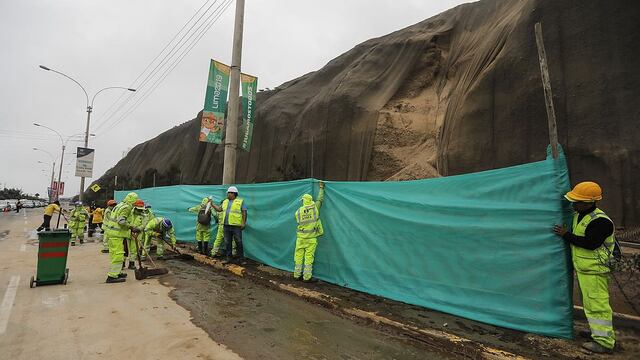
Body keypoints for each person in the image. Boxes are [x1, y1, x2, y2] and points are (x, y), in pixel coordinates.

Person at [553, 181, 617, 354]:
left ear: (589, 202)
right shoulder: (579, 215)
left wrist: (566, 235)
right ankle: (597, 332)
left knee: (597, 305)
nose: (574, 204)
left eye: (577, 201)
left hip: (595, 271)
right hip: (585, 269)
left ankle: (604, 342)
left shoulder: (601, 222)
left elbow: (589, 244)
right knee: (589, 303)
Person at [293, 181, 325, 282]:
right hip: (311, 239)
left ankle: (297, 275)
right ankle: (307, 278)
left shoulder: (298, 212)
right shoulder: (315, 208)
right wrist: (321, 188)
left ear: (303, 201)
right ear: (310, 200)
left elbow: (299, 221)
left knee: (298, 258)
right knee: (308, 259)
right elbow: (320, 199)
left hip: (300, 239)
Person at [103, 192, 138, 283]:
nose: (135, 204)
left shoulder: (120, 205)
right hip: (116, 235)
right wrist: (131, 227)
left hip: (112, 233)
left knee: (114, 254)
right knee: (118, 255)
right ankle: (112, 276)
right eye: (135, 201)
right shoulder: (127, 207)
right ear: (132, 200)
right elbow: (121, 221)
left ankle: (117, 272)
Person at [210, 186, 247, 264]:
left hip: (236, 226)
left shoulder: (240, 201)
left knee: (238, 242)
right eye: (228, 193)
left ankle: (241, 259)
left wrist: (243, 223)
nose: (228, 194)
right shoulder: (225, 201)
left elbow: (244, 212)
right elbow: (219, 209)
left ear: (234, 194)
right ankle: (229, 258)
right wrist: (212, 204)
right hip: (226, 225)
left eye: (230, 193)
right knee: (227, 242)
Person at [126, 199, 150, 269]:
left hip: (137, 234)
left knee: (134, 250)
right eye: (138, 209)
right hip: (128, 233)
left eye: (141, 209)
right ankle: (122, 264)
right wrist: (130, 227)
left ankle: (131, 263)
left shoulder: (144, 216)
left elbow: (144, 224)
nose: (139, 211)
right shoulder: (130, 212)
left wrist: (138, 229)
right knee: (126, 249)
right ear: (135, 207)